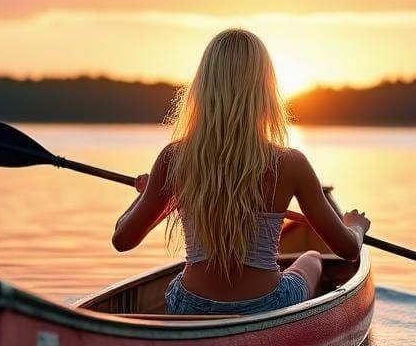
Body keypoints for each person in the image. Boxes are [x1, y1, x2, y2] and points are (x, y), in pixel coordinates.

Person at [112, 29, 371, 315]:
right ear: (265, 91)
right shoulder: (290, 163)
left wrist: (147, 195)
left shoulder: (174, 159)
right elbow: (348, 250)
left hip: (190, 306)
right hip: (266, 304)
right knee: (312, 257)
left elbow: (123, 239)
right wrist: (356, 226)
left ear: (202, 87)